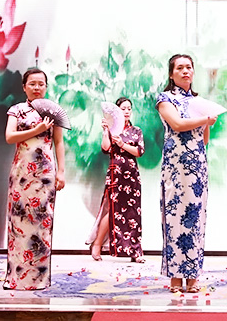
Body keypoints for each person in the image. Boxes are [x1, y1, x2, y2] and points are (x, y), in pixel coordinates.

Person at [156, 54, 217, 294]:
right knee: (174, 217)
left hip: (197, 164)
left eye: (189, 67)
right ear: (171, 74)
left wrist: (207, 123)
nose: (185, 71)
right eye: (179, 68)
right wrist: (205, 118)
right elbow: (177, 125)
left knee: (196, 218)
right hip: (175, 165)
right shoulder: (165, 99)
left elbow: (204, 139)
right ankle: (175, 278)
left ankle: (192, 277)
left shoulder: (199, 102)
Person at [3, 68, 66, 290]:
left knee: (42, 223)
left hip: (45, 174)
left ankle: (40, 279)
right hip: (21, 173)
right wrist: (37, 129)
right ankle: (15, 278)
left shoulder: (52, 111)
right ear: (24, 87)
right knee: (18, 222)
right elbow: (10, 137)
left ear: (46, 87)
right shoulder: (16, 110)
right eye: (32, 83)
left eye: (41, 84)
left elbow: (59, 142)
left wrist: (61, 171)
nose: (37, 87)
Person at [86, 97, 146, 263]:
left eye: (129, 108)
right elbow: (105, 148)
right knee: (112, 210)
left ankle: (135, 251)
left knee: (133, 212)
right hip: (115, 174)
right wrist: (106, 131)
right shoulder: (112, 130)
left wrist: (122, 144)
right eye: (123, 108)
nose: (126, 111)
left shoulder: (136, 131)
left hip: (132, 175)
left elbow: (139, 151)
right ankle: (97, 244)